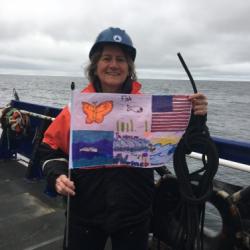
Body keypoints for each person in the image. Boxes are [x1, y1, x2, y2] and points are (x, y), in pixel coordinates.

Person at [39, 27, 208, 250]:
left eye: (121, 59)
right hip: (84, 213)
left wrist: (197, 117)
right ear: (96, 66)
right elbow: (48, 148)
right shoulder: (77, 108)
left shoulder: (148, 108)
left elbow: (182, 144)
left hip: (134, 216)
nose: (113, 65)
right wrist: (57, 175)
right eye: (107, 58)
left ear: (129, 67)